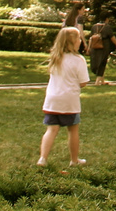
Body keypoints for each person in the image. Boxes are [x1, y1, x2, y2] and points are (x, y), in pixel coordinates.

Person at [38, 26, 90, 168]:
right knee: (73, 130)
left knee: (51, 129)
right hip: (69, 101)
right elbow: (83, 82)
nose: (80, 40)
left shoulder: (55, 58)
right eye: (79, 38)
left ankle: (42, 158)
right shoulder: (78, 60)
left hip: (52, 100)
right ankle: (74, 160)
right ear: (72, 42)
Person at [88, 15, 116, 85]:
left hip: (94, 46)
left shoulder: (94, 26)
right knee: (102, 63)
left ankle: (102, 81)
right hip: (104, 47)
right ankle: (97, 82)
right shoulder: (107, 27)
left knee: (96, 61)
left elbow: (90, 38)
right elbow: (112, 37)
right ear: (107, 19)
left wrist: (89, 47)